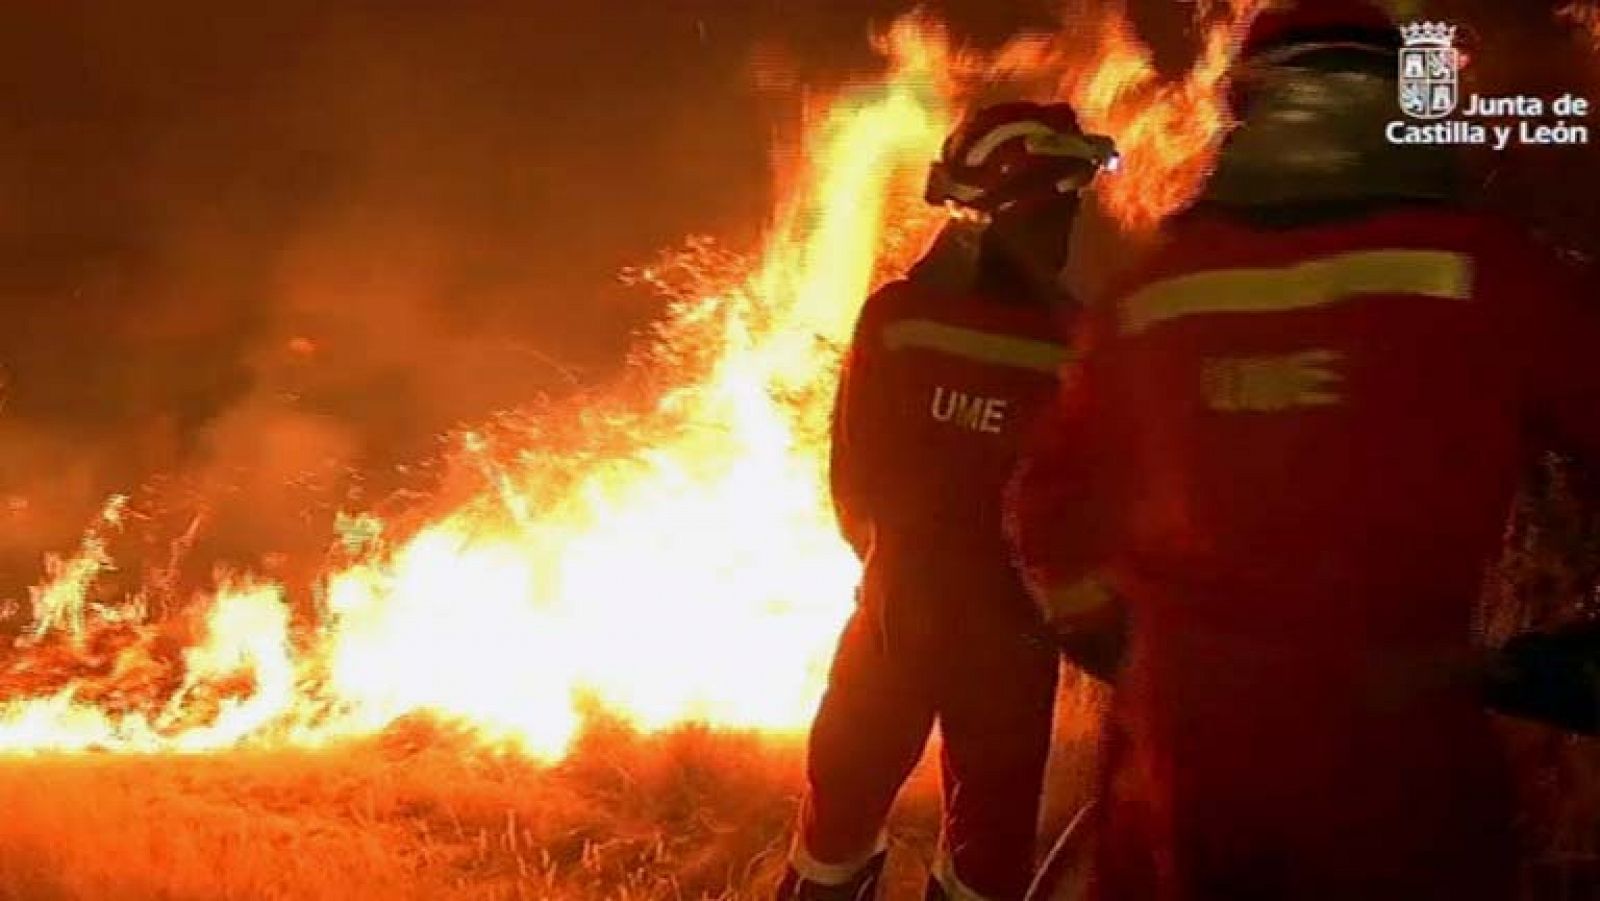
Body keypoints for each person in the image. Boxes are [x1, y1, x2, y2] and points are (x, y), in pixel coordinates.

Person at [1006, 2, 1600, 899]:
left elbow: (1048, 506)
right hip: (1394, 742)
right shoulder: (1484, 270)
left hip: (1182, 758)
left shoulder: (1154, 289)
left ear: (1249, 111)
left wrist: (1126, 647)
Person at [777, 101, 1118, 901]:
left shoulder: (896, 319)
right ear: (1014, 211)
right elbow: (1081, 509)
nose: (1068, 227)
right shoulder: (1075, 345)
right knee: (981, 856)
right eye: (1060, 207)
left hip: (894, 619)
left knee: (840, 825)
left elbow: (854, 483)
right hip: (1005, 639)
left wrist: (898, 572)